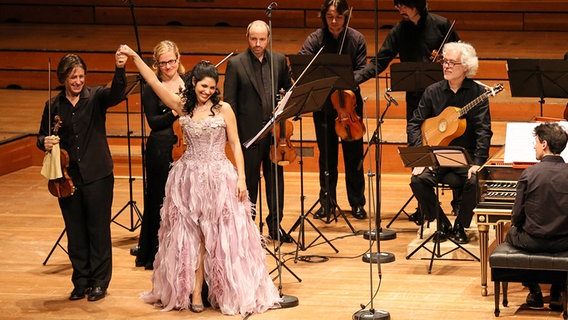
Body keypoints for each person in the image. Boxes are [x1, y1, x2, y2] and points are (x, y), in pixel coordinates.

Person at [118, 45, 280, 316]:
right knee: (191, 238)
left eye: (212, 87)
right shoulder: (182, 106)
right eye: (204, 86)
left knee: (220, 237)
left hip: (219, 177)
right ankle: (193, 291)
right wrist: (135, 57)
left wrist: (241, 178)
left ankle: (221, 289)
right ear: (193, 83)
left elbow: (236, 145)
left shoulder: (224, 109)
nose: (208, 91)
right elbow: (154, 82)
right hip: (189, 179)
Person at [354, 0, 460, 223]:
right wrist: (354, 79)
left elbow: (461, 56)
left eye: (404, 5)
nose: (399, 9)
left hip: (444, 101)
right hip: (417, 103)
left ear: (417, 4)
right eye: (398, 5)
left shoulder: (441, 25)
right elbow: (380, 62)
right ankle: (427, 209)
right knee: (418, 154)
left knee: (448, 150)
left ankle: (457, 206)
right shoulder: (399, 31)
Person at [36, 51, 127, 301]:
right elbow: (40, 136)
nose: (78, 81)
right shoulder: (53, 105)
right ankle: (80, 281)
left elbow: (118, 94)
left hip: (98, 175)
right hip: (67, 179)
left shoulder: (96, 96)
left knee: (98, 230)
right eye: (73, 77)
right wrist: (45, 141)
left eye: (81, 76)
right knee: (75, 231)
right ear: (63, 78)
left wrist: (119, 69)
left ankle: (99, 282)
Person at [407, 42, 493, 244]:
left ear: (465, 67)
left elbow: (484, 131)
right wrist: (421, 158)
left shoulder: (478, 93)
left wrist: (477, 163)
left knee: (475, 182)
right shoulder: (432, 91)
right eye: (445, 62)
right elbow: (414, 123)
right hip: (437, 156)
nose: (446, 66)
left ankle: (460, 225)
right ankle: (441, 222)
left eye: (452, 63)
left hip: (467, 157)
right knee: (417, 180)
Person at [223, 20, 294, 243]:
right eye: (254, 39)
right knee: (249, 183)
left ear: (268, 39)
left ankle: (275, 227)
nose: (257, 44)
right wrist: (234, 135)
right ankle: (248, 229)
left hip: (274, 135)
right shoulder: (236, 64)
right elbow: (230, 103)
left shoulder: (279, 60)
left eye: (262, 39)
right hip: (249, 136)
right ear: (248, 38)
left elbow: (287, 92)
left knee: (275, 182)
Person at [298, 0, 367, 221]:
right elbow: (302, 65)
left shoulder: (356, 39)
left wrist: (346, 80)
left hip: (349, 106)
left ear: (346, 16)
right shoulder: (315, 40)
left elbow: (363, 69)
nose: (334, 21)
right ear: (324, 17)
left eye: (338, 17)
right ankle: (327, 203)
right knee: (326, 159)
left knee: (353, 156)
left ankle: (357, 202)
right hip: (324, 107)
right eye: (330, 17)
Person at [504, 122, 568, 310]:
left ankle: (535, 291)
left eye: (536, 141)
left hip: (533, 241)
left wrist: (523, 225)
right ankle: (557, 292)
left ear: (544, 144)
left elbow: (516, 215)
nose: (534, 146)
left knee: (511, 234)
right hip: (565, 241)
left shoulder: (529, 173)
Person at [134, 40, 186, 270]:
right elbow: (153, 122)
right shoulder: (151, 88)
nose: (168, 67)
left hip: (184, 147)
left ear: (178, 58)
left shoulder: (188, 82)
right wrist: (175, 110)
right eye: (163, 63)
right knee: (158, 199)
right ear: (157, 64)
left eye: (171, 61)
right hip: (160, 147)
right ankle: (153, 252)